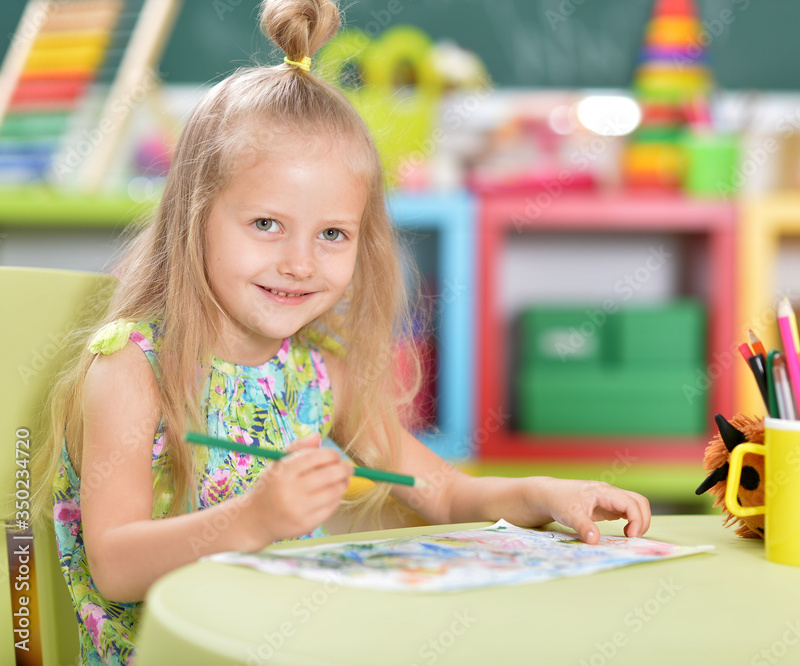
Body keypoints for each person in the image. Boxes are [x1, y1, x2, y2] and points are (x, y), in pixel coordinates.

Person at [33, 0, 651, 662]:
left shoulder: (320, 372)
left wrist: (546, 494)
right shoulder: (133, 367)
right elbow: (114, 564)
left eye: (332, 234)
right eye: (266, 224)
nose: (300, 262)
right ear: (195, 217)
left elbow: (441, 493)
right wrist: (253, 520)